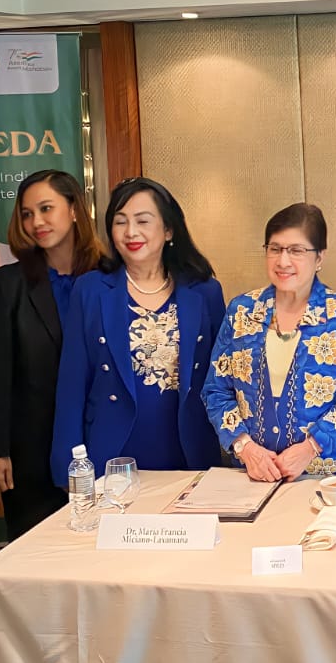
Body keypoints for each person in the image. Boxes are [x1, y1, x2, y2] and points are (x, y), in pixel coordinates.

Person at [52, 177, 225, 479]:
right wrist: (68, 467)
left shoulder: (204, 291)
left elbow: (221, 381)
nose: (131, 232)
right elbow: (72, 384)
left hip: (189, 451)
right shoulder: (90, 290)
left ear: (168, 229)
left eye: (143, 221)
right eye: (120, 222)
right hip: (112, 456)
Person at [204, 203, 336, 479]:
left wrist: (311, 447)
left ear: (319, 257)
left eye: (296, 250)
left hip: (329, 473)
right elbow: (216, 390)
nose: (283, 261)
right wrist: (245, 447)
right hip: (256, 472)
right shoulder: (242, 311)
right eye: (275, 249)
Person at [0, 170, 104, 539]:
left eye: (46, 209)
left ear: (75, 209)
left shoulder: (109, 279)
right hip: (30, 448)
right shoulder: (7, 284)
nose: (37, 222)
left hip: (102, 438)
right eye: (27, 214)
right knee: (36, 550)